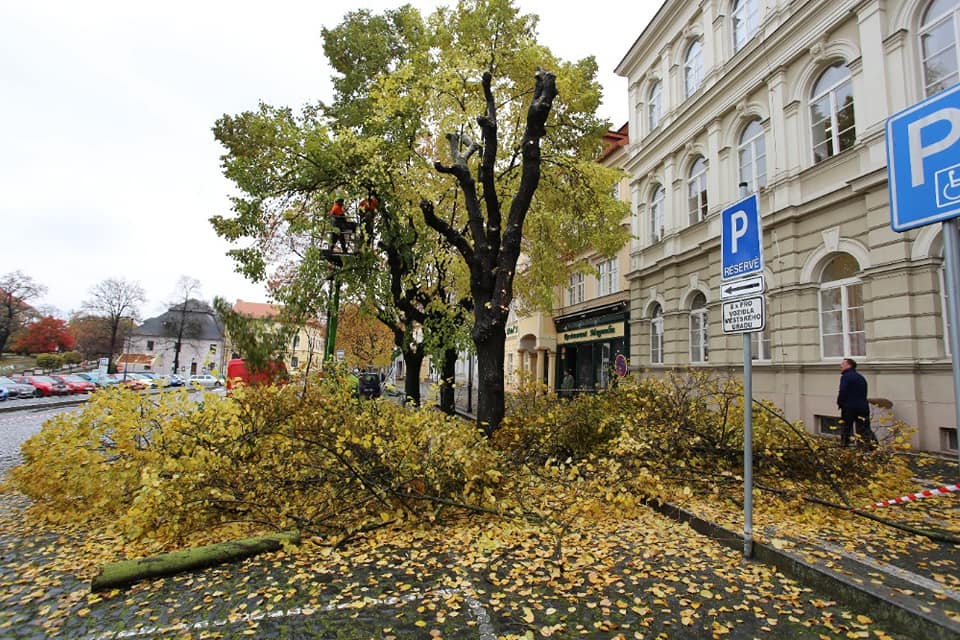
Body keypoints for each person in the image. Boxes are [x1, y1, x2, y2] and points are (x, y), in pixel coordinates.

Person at [837, 358, 877, 448]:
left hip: (849, 407)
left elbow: (843, 391)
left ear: (849, 365)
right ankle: (871, 447)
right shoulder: (860, 377)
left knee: (846, 429)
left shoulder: (845, 377)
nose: (840, 366)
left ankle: (844, 448)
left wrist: (840, 403)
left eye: (843, 364)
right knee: (865, 429)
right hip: (863, 407)